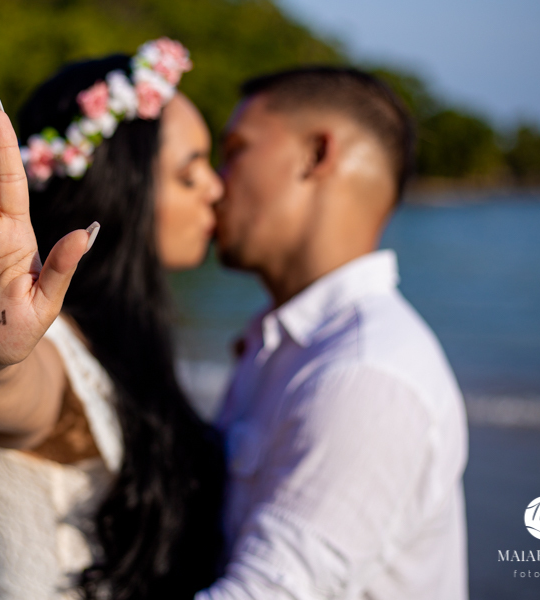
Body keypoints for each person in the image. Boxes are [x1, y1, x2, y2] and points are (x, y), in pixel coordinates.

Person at [0, 39, 226, 600]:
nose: (216, 188)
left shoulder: (125, 341)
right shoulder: (49, 346)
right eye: (189, 172)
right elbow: (14, 398)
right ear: (120, 184)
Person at [196, 67, 469, 599]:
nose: (213, 182)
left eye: (235, 151)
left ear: (316, 155)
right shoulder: (285, 343)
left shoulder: (365, 374)